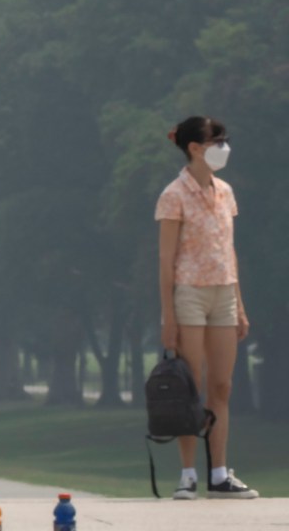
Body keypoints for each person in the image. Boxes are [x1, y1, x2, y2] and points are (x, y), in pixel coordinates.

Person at [158, 114, 256, 499]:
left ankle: (218, 472)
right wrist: (169, 316)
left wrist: (240, 304)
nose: (223, 148)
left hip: (223, 294)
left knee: (221, 385)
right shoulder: (174, 195)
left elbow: (227, 250)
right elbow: (166, 261)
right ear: (196, 148)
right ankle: (187, 475)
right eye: (218, 141)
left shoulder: (226, 192)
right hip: (189, 294)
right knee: (190, 386)